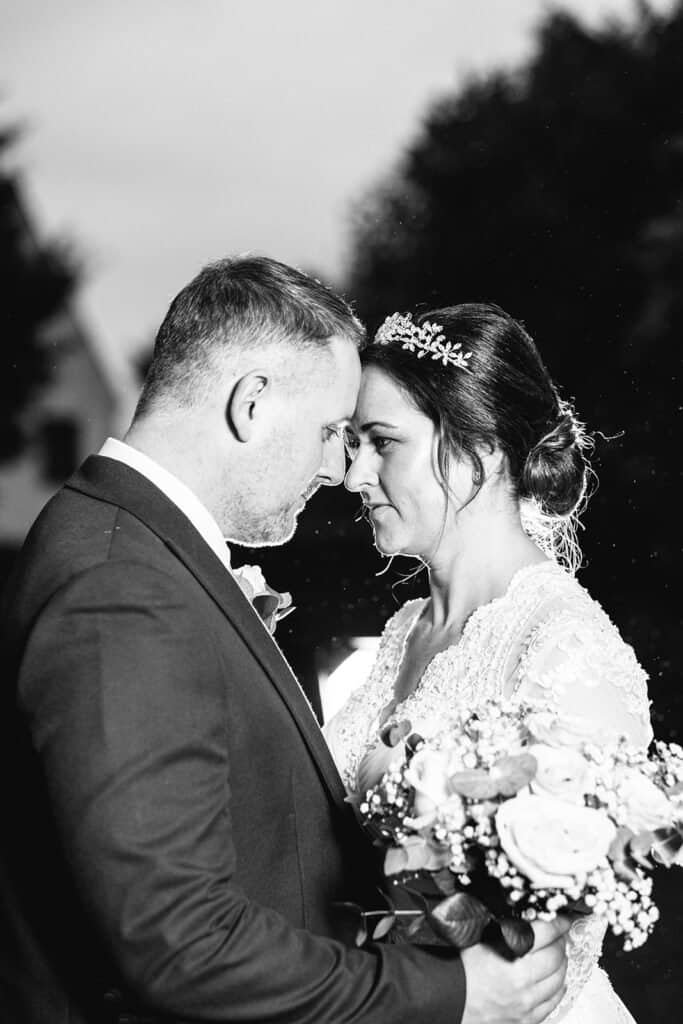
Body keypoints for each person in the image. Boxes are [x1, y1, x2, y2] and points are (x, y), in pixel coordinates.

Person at [0, 261, 569, 1024]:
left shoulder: (136, 553)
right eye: (333, 432)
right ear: (253, 403)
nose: (340, 471)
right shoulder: (122, 588)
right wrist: (449, 993)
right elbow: (180, 943)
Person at [325, 302, 653, 1023]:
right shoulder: (407, 627)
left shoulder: (563, 646)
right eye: (352, 443)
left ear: (478, 450)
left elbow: (551, 949)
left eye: (382, 443)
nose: (354, 475)